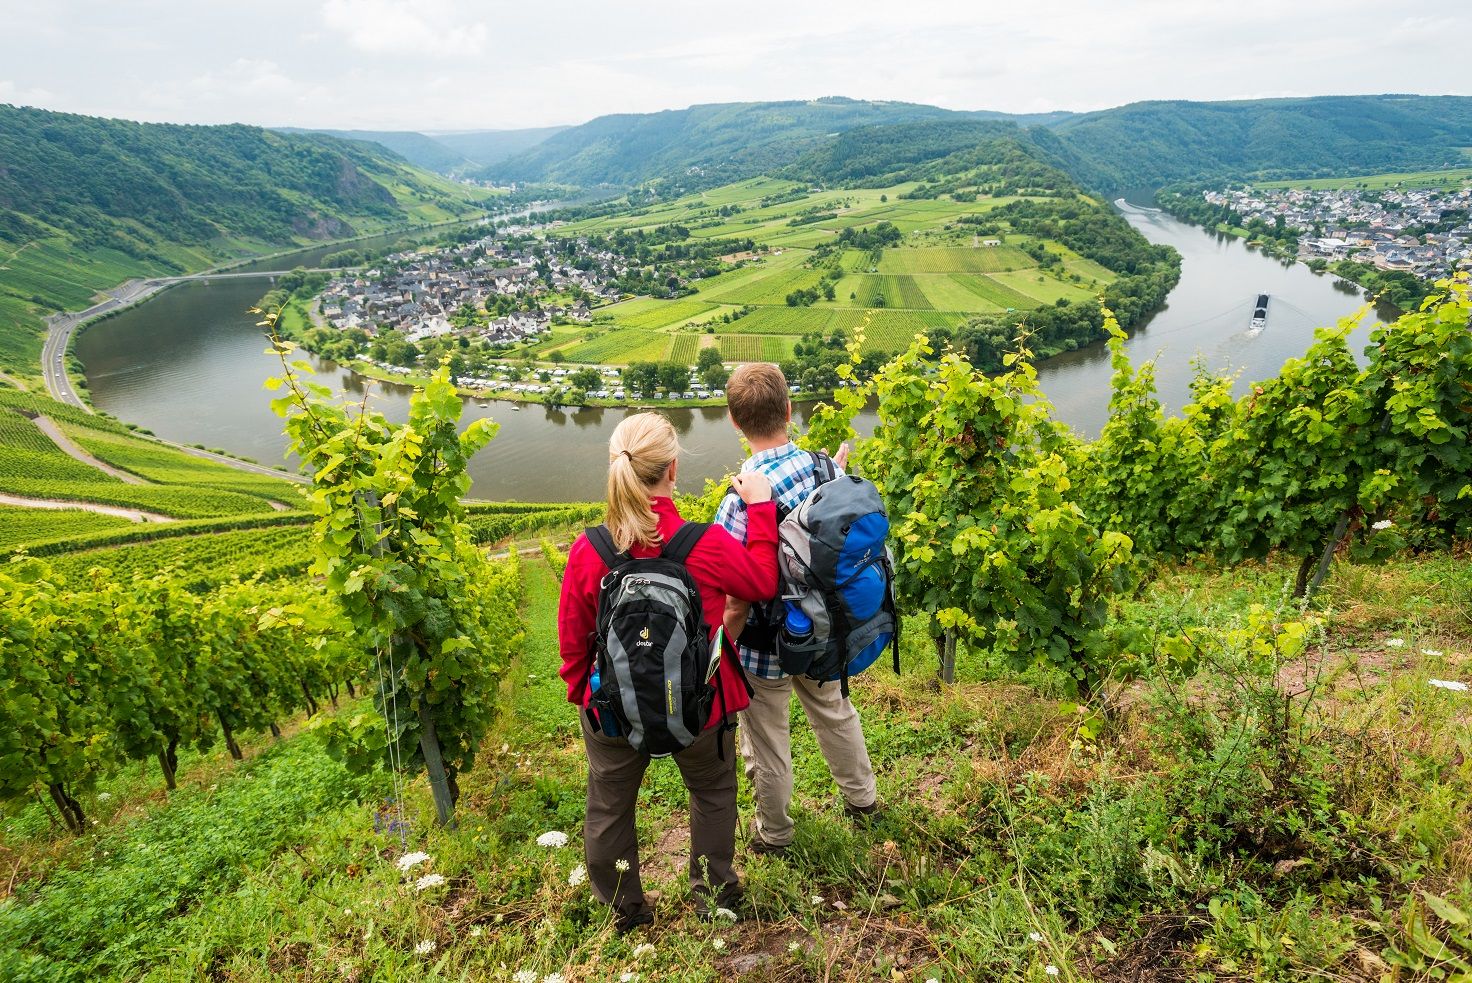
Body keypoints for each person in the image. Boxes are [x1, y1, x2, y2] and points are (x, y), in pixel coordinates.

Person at [557, 412, 777, 932]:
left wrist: (591, 701)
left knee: (609, 808)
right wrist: (762, 510)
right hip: (703, 707)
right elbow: (763, 582)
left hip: (612, 711)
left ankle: (626, 911)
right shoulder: (706, 544)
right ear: (672, 470)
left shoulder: (589, 550)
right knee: (712, 793)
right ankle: (713, 894)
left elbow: (572, 647)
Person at [715, 363, 881, 855]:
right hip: (823, 629)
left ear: (734, 422)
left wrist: (725, 644)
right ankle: (863, 801)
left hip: (766, 646)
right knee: (835, 712)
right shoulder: (824, 468)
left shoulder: (737, 500)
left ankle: (775, 833)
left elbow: (735, 592)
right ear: (789, 410)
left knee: (768, 741)